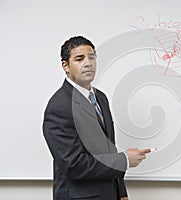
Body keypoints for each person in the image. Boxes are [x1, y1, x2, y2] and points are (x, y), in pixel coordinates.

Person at [43, 36, 150, 200]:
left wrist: (121, 192)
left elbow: (109, 149)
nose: (88, 63)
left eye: (91, 57)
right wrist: (124, 160)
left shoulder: (100, 97)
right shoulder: (59, 106)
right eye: (79, 59)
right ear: (65, 66)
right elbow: (74, 165)